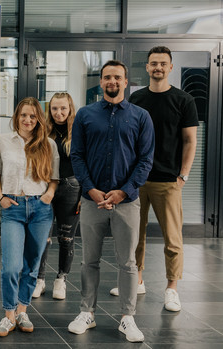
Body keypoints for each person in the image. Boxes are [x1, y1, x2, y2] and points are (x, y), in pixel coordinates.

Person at [67, 60, 154, 343]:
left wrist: (124, 191)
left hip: (126, 201)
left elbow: (145, 160)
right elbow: (76, 156)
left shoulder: (141, 116)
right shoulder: (85, 114)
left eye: (117, 77)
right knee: (89, 260)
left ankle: (127, 318)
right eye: (107, 77)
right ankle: (87, 312)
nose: (112, 82)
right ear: (100, 82)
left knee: (128, 262)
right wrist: (90, 190)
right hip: (92, 200)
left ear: (126, 82)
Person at [110, 46, 198, 312]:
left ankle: (172, 289)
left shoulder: (184, 100)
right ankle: (137, 280)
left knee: (173, 237)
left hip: (168, 179)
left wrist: (183, 175)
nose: (158, 67)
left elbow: (190, 140)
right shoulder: (137, 99)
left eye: (163, 63)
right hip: (136, 179)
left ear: (170, 67)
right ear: (147, 68)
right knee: (135, 235)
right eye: (153, 63)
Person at [0, 97, 59, 337]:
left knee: (31, 265)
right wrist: (0, 197)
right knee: (11, 267)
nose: (27, 120)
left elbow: (54, 176)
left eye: (32, 116)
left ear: (38, 118)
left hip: (40, 209)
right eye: (23, 115)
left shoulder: (48, 144)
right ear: (16, 117)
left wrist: (49, 194)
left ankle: (22, 310)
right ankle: (8, 314)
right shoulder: (3, 141)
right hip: (13, 207)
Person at [33, 93, 81, 301]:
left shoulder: (79, 132)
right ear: (49, 110)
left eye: (63, 108)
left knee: (66, 237)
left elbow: (85, 165)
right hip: (45, 187)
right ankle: (39, 280)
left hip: (72, 187)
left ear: (70, 108)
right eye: (54, 109)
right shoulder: (43, 132)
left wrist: (84, 194)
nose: (59, 113)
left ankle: (61, 279)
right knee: (42, 236)